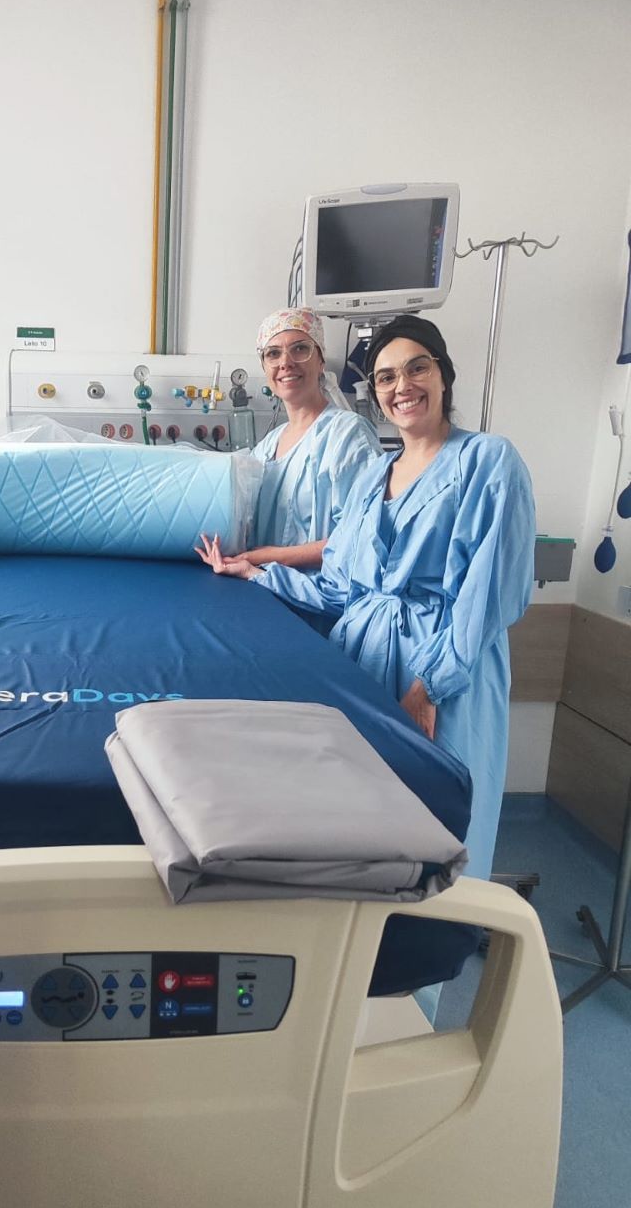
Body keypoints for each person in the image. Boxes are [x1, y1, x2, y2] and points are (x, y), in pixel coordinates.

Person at [196, 315, 535, 884]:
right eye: (385, 377)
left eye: (417, 368)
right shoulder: (376, 475)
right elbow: (340, 588)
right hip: (362, 660)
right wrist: (255, 572)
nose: (402, 386)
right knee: (361, 824)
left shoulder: (487, 462)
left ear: (444, 375)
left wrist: (427, 689)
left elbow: (487, 596)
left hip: (444, 669)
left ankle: (439, 939)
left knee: (440, 823)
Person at [226, 308, 380, 572]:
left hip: (322, 593)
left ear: (321, 361)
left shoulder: (348, 435)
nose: (285, 362)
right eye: (273, 353)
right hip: (262, 584)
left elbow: (363, 536)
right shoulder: (267, 447)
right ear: (264, 367)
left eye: (300, 349)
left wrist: (273, 557)